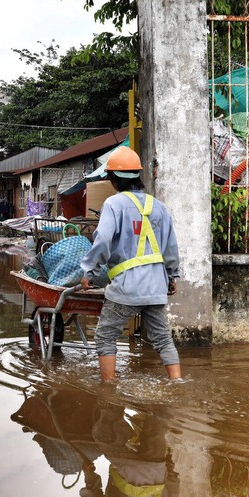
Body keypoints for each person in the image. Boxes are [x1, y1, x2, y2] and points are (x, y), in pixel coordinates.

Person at [79, 146, 182, 382]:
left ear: (113, 179)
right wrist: (172, 276)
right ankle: (177, 383)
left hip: (126, 287)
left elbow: (103, 240)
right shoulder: (160, 207)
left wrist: (89, 271)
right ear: (138, 175)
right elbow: (171, 247)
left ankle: (109, 387)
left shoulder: (114, 204)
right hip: (156, 286)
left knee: (105, 336)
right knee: (163, 339)